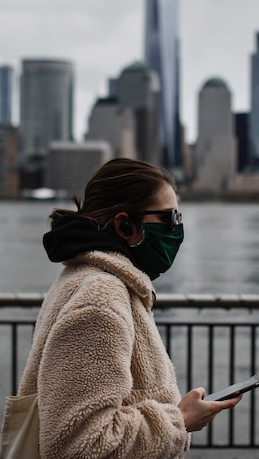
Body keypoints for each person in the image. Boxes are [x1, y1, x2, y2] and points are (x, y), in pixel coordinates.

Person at [15, 158, 240, 458]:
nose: (178, 230)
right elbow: (78, 444)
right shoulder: (101, 300)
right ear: (125, 225)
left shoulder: (88, 278)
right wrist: (179, 421)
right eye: (170, 218)